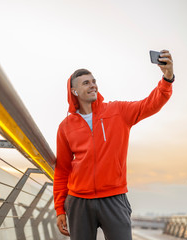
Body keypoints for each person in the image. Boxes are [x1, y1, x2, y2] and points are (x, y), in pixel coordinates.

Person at [53, 50, 174, 239]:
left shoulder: (118, 111)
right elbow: (62, 170)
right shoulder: (65, 126)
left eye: (94, 81)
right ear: (74, 91)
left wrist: (167, 78)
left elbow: (151, 104)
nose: (93, 86)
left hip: (114, 198)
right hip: (79, 201)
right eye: (86, 83)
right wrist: (60, 208)